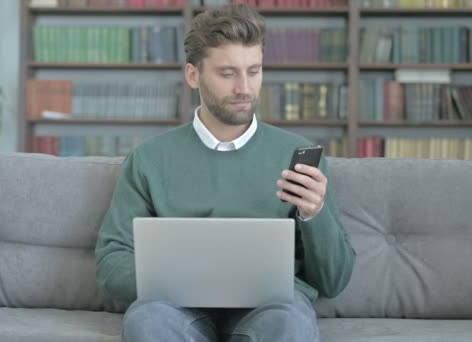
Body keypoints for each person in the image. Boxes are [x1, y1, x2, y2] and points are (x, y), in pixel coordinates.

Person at [95, 3, 355, 341]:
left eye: (254, 71)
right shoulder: (148, 159)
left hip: (271, 309)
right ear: (193, 75)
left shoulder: (298, 157)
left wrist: (314, 214)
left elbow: (334, 282)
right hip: (175, 307)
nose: (244, 88)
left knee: (290, 323)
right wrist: (180, 278)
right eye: (227, 73)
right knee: (147, 321)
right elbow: (111, 261)